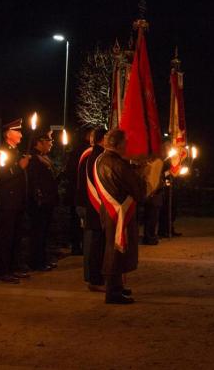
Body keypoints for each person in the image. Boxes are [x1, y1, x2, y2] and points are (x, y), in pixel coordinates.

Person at [94, 129, 147, 304]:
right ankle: (113, 292)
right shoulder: (118, 164)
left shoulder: (101, 159)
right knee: (116, 250)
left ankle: (116, 286)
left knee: (115, 248)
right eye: (125, 142)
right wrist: (143, 176)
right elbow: (137, 190)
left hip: (109, 211)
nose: (127, 145)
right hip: (120, 212)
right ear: (118, 144)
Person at [0, 118, 31, 284]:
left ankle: (14, 267)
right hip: (7, 202)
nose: (21, 135)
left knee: (16, 236)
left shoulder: (16, 151)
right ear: (8, 134)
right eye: (17, 131)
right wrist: (18, 167)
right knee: (6, 237)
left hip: (18, 201)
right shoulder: (1, 152)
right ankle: (3, 270)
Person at [76, 128, 107, 292]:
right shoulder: (93, 155)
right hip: (92, 204)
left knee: (96, 243)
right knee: (94, 243)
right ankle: (93, 277)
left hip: (91, 204)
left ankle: (95, 276)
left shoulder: (96, 154)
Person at [26, 129, 58, 271]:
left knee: (44, 232)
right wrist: (39, 197)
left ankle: (43, 259)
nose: (51, 143)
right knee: (38, 232)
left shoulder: (43, 157)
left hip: (47, 201)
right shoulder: (33, 159)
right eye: (49, 140)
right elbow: (34, 181)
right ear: (40, 142)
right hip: (39, 202)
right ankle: (36, 262)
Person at [61, 128, 91, 256]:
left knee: (76, 220)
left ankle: (76, 245)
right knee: (79, 220)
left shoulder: (76, 151)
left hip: (76, 191)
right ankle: (79, 245)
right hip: (81, 191)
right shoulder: (85, 152)